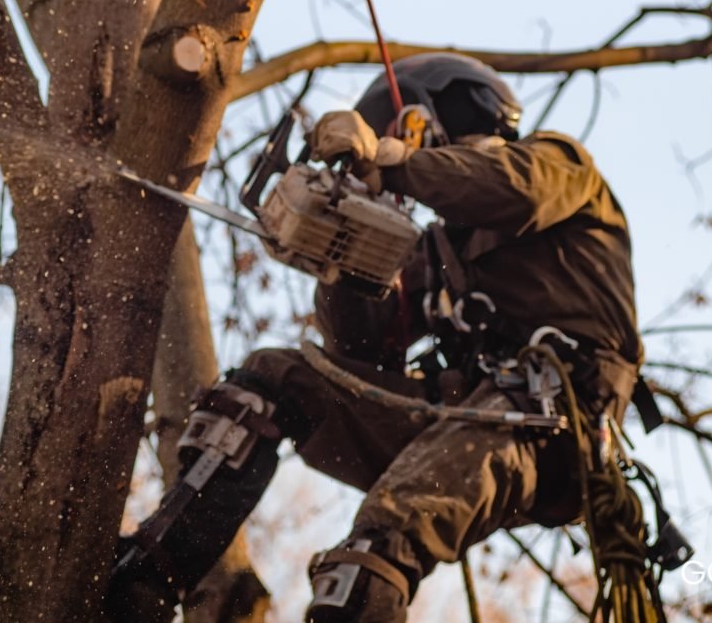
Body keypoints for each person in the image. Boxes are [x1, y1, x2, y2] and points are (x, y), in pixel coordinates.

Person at [106, 53, 644, 622]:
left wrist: (392, 163)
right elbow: (356, 356)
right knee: (272, 381)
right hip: (453, 417)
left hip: (550, 425)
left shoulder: (556, 164)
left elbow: (512, 189)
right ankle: (144, 579)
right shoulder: (435, 253)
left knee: (374, 551)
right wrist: (345, 256)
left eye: (394, 133)